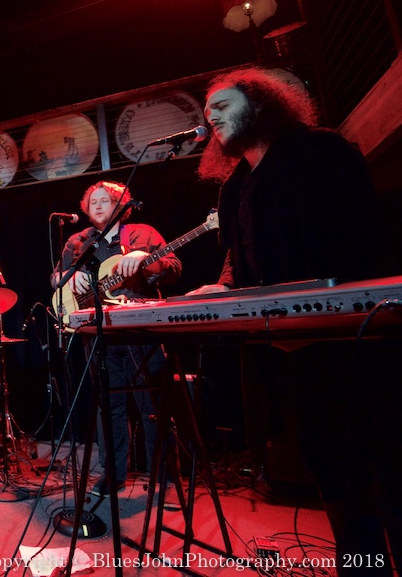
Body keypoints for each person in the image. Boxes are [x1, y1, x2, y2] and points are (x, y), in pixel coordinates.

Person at [193, 67, 399, 573]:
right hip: (290, 352)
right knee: (336, 478)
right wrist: (221, 288)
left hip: (358, 344)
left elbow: (363, 238)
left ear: (262, 104)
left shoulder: (318, 151)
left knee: (388, 472)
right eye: (207, 113)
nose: (211, 118)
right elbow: (236, 262)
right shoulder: (235, 187)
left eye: (223, 105)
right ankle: (364, 568)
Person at [50, 180, 182, 496]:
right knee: (109, 406)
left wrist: (148, 261)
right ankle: (113, 474)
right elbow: (55, 277)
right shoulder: (77, 242)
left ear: (121, 204)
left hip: (140, 330)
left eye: (104, 199)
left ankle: (163, 477)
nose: (97, 204)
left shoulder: (143, 234)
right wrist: (70, 276)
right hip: (97, 333)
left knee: (152, 402)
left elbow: (174, 267)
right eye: (92, 201)